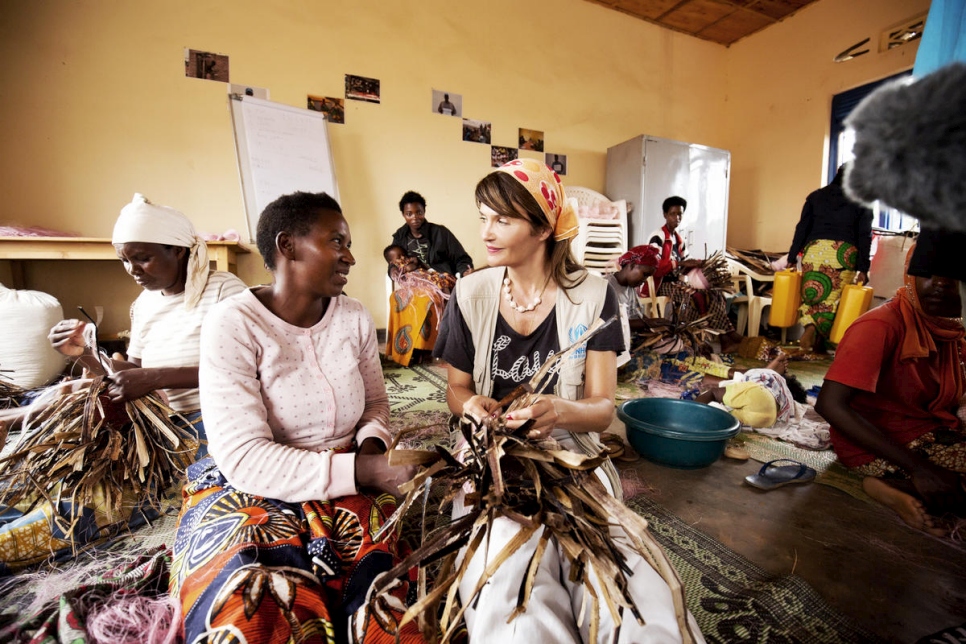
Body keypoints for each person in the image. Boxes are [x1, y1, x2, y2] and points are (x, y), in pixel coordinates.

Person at [433, 159, 703, 643]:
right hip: (489, 452)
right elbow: (456, 388)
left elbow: (602, 408)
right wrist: (472, 405)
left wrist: (557, 411)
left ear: (541, 228)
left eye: (502, 219)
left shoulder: (593, 295)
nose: (486, 232)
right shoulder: (469, 293)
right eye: (482, 217)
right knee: (505, 567)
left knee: (618, 563)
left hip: (569, 446)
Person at [169, 192, 422, 643]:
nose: (350, 257)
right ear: (287, 246)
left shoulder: (354, 317)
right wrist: (363, 470)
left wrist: (371, 450)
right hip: (254, 485)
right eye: (337, 242)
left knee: (381, 599)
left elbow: (376, 404)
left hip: (352, 475)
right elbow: (243, 455)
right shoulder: (234, 325)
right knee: (249, 600)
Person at [0, 193, 246, 573]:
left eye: (143, 257)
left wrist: (155, 378)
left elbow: (245, 365)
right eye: (125, 260)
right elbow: (128, 372)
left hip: (207, 426)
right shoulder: (145, 304)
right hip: (149, 425)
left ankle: (22, 539)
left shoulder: (224, 291)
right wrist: (82, 352)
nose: (132, 269)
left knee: (109, 499)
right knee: (59, 475)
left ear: (178, 250)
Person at [814, 244, 966, 537]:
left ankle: (909, 486)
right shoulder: (880, 325)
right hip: (872, 442)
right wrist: (921, 469)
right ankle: (890, 485)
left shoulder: (950, 332)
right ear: (909, 275)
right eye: (926, 272)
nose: (941, 283)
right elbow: (830, 404)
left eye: (954, 274)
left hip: (924, 429)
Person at [781, 164, 873, 353]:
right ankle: (816, 333)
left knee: (812, 297)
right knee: (833, 300)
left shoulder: (815, 196)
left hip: (814, 251)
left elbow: (802, 228)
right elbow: (864, 235)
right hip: (841, 254)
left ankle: (812, 335)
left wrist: (792, 256)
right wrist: (863, 268)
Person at [647, 196, 743, 353]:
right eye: (673, 214)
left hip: (676, 282)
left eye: (680, 214)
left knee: (714, 294)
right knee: (692, 296)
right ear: (665, 215)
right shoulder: (658, 236)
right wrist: (679, 264)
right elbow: (653, 266)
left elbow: (684, 265)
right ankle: (697, 340)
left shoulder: (678, 239)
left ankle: (725, 336)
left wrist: (697, 264)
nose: (677, 218)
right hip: (660, 284)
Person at [384, 243, 456, 366]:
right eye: (398, 256)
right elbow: (398, 273)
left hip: (427, 283)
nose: (403, 257)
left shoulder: (414, 261)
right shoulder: (394, 267)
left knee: (438, 292)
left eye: (404, 254)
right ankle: (418, 349)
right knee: (423, 301)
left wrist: (418, 262)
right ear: (391, 261)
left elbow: (427, 269)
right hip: (413, 287)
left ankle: (428, 347)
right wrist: (402, 269)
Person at [603, 244, 661, 367]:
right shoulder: (607, 287)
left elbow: (638, 314)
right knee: (650, 362)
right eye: (645, 274)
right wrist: (649, 323)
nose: (645, 280)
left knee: (670, 344)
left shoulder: (630, 288)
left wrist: (654, 325)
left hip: (631, 339)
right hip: (617, 343)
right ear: (632, 265)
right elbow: (614, 324)